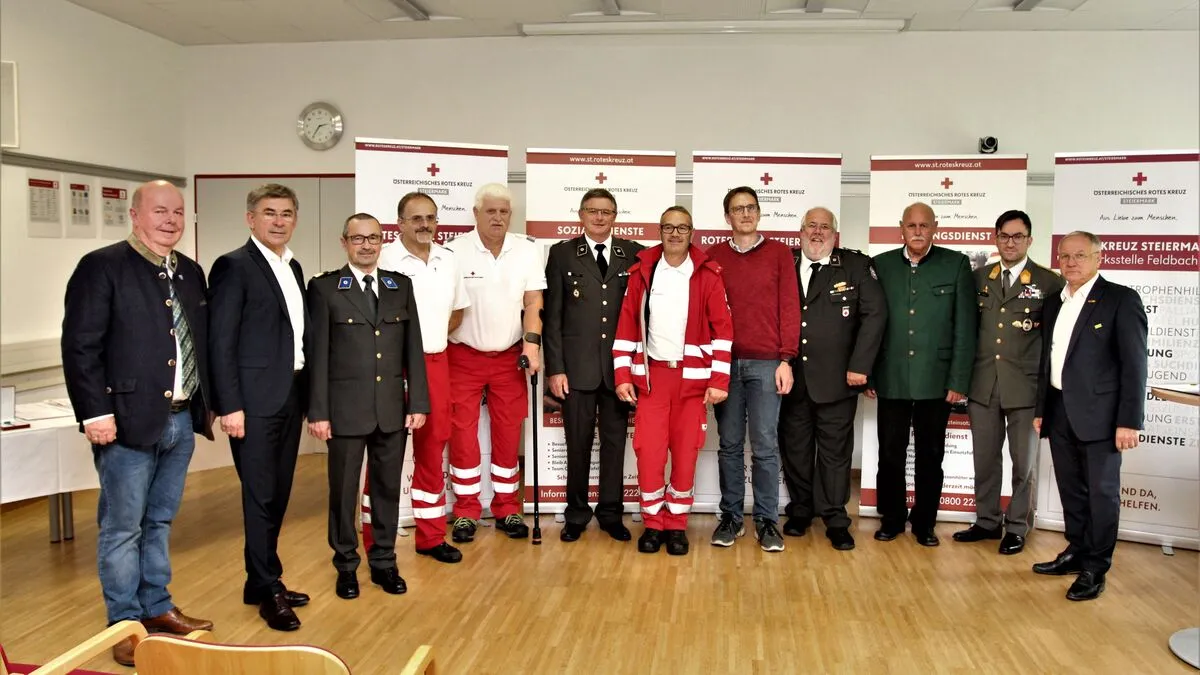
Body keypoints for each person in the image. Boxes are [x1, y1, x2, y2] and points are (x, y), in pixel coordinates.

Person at [61, 180, 215, 666]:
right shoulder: (102, 266)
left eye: (178, 212)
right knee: (122, 528)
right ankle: (124, 624)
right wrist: (94, 412)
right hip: (125, 421)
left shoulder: (189, 272)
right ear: (134, 215)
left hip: (180, 421)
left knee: (159, 521)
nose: (170, 220)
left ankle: (157, 607)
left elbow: (199, 344)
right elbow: (80, 346)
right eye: (159, 211)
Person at [307, 213, 430, 600]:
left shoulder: (399, 286)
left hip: (391, 408)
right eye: (358, 238)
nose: (366, 245)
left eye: (373, 238)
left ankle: (384, 561)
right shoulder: (325, 288)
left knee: (387, 489)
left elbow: (413, 348)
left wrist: (418, 401)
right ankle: (346, 565)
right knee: (344, 492)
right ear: (344, 242)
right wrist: (318, 411)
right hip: (344, 411)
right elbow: (317, 356)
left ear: (382, 242)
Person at [208, 183, 310, 631]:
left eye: (286, 213)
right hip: (252, 403)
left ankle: (260, 580)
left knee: (279, 492)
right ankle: (269, 588)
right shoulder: (233, 266)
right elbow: (220, 341)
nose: (278, 221)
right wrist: (229, 405)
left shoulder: (293, 266)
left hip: (290, 396)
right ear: (251, 219)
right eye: (269, 213)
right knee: (259, 495)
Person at [1032, 231, 1147, 601]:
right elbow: (1047, 361)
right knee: (1071, 490)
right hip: (1059, 411)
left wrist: (1129, 421)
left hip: (1103, 417)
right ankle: (1077, 551)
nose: (1070, 263)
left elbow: (1135, 365)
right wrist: (1041, 410)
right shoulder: (1054, 302)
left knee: (1101, 494)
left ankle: (1096, 568)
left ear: (1099, 257)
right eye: (1064, 256)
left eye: (1080, 255)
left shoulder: (1120, 299)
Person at [613, 206, 732, 555]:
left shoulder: (707, 274)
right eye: (669, 227)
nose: (675, 234)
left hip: (692, 382)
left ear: (691, 232)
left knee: (685, 454)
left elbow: (723, 331)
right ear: (660, 231)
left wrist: (719, 379)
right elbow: (626, 326)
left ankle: (677, 524)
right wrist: (622, 374)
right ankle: (653, 523)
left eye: (682, 228)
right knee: (648, 454)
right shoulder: (643, 272)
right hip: (652, 380)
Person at [778, 207, 886, 551]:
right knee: (795, 448)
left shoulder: (855, 266)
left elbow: (874, 315)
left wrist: (861, 366)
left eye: (825, 227)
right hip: (792, 379)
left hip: (839, 380)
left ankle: (836, 518)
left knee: (835, 454)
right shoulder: (784, 263)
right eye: (811, 225)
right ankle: (800, 510)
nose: (818, 232)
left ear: (835, 235)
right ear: (801, 231)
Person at [955, 210, 1062, 555]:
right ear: (996, 238)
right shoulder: (978, 278)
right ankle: (987, 520)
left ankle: (1017, 526)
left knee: (1023, 464)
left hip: (1026, 388)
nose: (1011, 242)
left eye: (1018, 236)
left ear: (1030, 240)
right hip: (983, 383)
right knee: (985, 460)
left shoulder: (1049, 283)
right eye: (1004, 236)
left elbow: (1055, 342)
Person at [868, 202, 975, 547]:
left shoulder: (955, 264)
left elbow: (965, 327)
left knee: (931, 456)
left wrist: (958, 380)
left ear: (935, 228)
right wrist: (869, 374)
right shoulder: (881, 265)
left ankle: (925, 522)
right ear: (901, 228)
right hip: (892, 375)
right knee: (890, 454)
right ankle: (892, 518)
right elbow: (870, 322)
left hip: (936, 379)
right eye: (911, 225)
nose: (917, 231)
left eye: (924, 225)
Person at [444, 183, 545, 542]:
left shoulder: (527, 250)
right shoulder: (453, 251)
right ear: (476, 214)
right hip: (463, 356)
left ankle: (507, 508)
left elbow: (533, 302)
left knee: (508, 431)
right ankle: (466, 511)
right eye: (490, 211)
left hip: (509, 357)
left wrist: (532, 344)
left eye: (504, 211)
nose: (498, 217)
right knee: (462, 433)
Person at [543, 188, 644, 543]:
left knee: (615, 445)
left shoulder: (634, 253)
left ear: (615, 216)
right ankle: (576, 514)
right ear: (581, 215)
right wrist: (555, 368)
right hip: (576, 370)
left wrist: (634, 367)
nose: (599, 217)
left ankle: (611, 514)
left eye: (606, 212)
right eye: (592, 211)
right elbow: (552, 317)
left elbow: (641, 316)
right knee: (578, 445)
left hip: (618, 371)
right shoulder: (562, 254)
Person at [705, 186, 800, 552]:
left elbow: (790, 307)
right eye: (737, 208)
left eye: (750, 207)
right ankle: (731, 516)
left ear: (759, 213)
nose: (745, 214)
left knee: (764, 446)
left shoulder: (779, 253)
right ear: (727, 217)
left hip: (767, 363)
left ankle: (766, 520)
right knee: (729, 444)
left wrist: (786, 359)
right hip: (724, 363)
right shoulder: (713, 256)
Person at [376, 193, 468, 563]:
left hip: (435, 363)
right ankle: (376, 542)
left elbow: (457, 312)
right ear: (399, 223)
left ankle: (430, 537)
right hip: (392, 368)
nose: (425, 224)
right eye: (416, 218)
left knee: (432, 448)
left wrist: (428, 338)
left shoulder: (449, 259)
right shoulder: (383, 258)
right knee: (385, 452)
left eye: (430, 217)